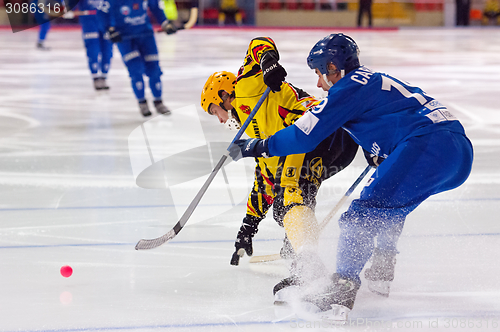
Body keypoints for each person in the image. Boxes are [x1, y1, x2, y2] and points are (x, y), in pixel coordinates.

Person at [231, 33, 473, 321]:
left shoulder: (346, 89)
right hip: (455, 148)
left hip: (427, 144)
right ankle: (383, 265)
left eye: (320, 73)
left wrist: (257, 146)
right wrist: (387, 148)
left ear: (334, 68)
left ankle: (343, 286)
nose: (319, 83)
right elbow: (401, 112)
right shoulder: (371, 79)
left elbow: (302, 136)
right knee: (390, 206)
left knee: (361, 214)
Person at [200, 38, 360, 293]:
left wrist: (267, 63)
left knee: (290, 194)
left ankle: (308, 266)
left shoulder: (246, 87)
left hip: (321, 132)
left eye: (214, 110)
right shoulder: (254, 131)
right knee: (284, 203)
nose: (219, 119)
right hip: (332, 144)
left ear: (223, 95)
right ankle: (301, 249)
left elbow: (257, 44)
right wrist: (248, 228)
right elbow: (265, 178)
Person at [96, 0, 177, 117]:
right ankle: (142, 102)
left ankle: (159, 102)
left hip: (146, 35)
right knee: (136, 70)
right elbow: (102, 13)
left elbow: (156, 7)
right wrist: (109, 30)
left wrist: (165, 23)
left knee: (154, 70)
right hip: (125, 38)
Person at [64, 0, 113, 90]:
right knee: (93, 50)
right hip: (89, 22)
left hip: (107, 21)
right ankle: (95, 77)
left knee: (107, 51)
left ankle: (104, 77)